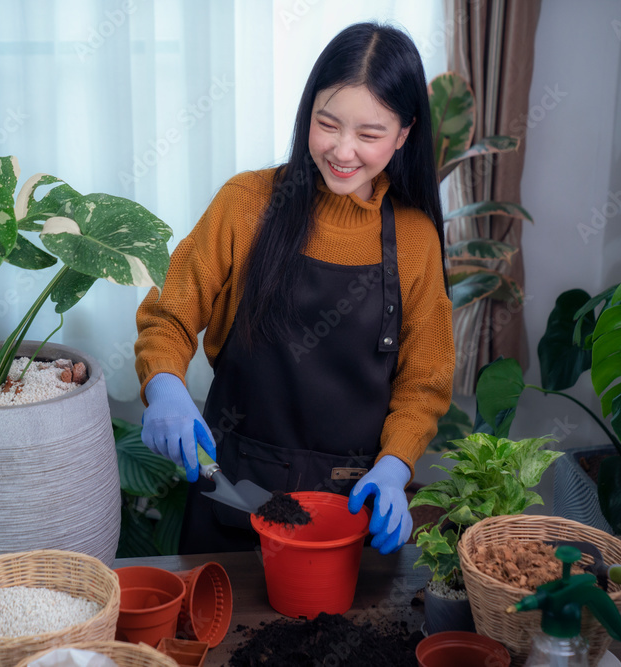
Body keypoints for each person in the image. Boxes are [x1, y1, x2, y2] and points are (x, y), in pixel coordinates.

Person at [134, 22, 455, 555]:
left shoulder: (416, 239)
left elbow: (424, 383)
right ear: (308, 112)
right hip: (231, 500)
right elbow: (170, 314)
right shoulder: (246, 203)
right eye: (327, 123)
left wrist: (396, 468)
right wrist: (165, 386)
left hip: (348, 516)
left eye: (370, 134)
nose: (343, 151)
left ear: (404, 134)